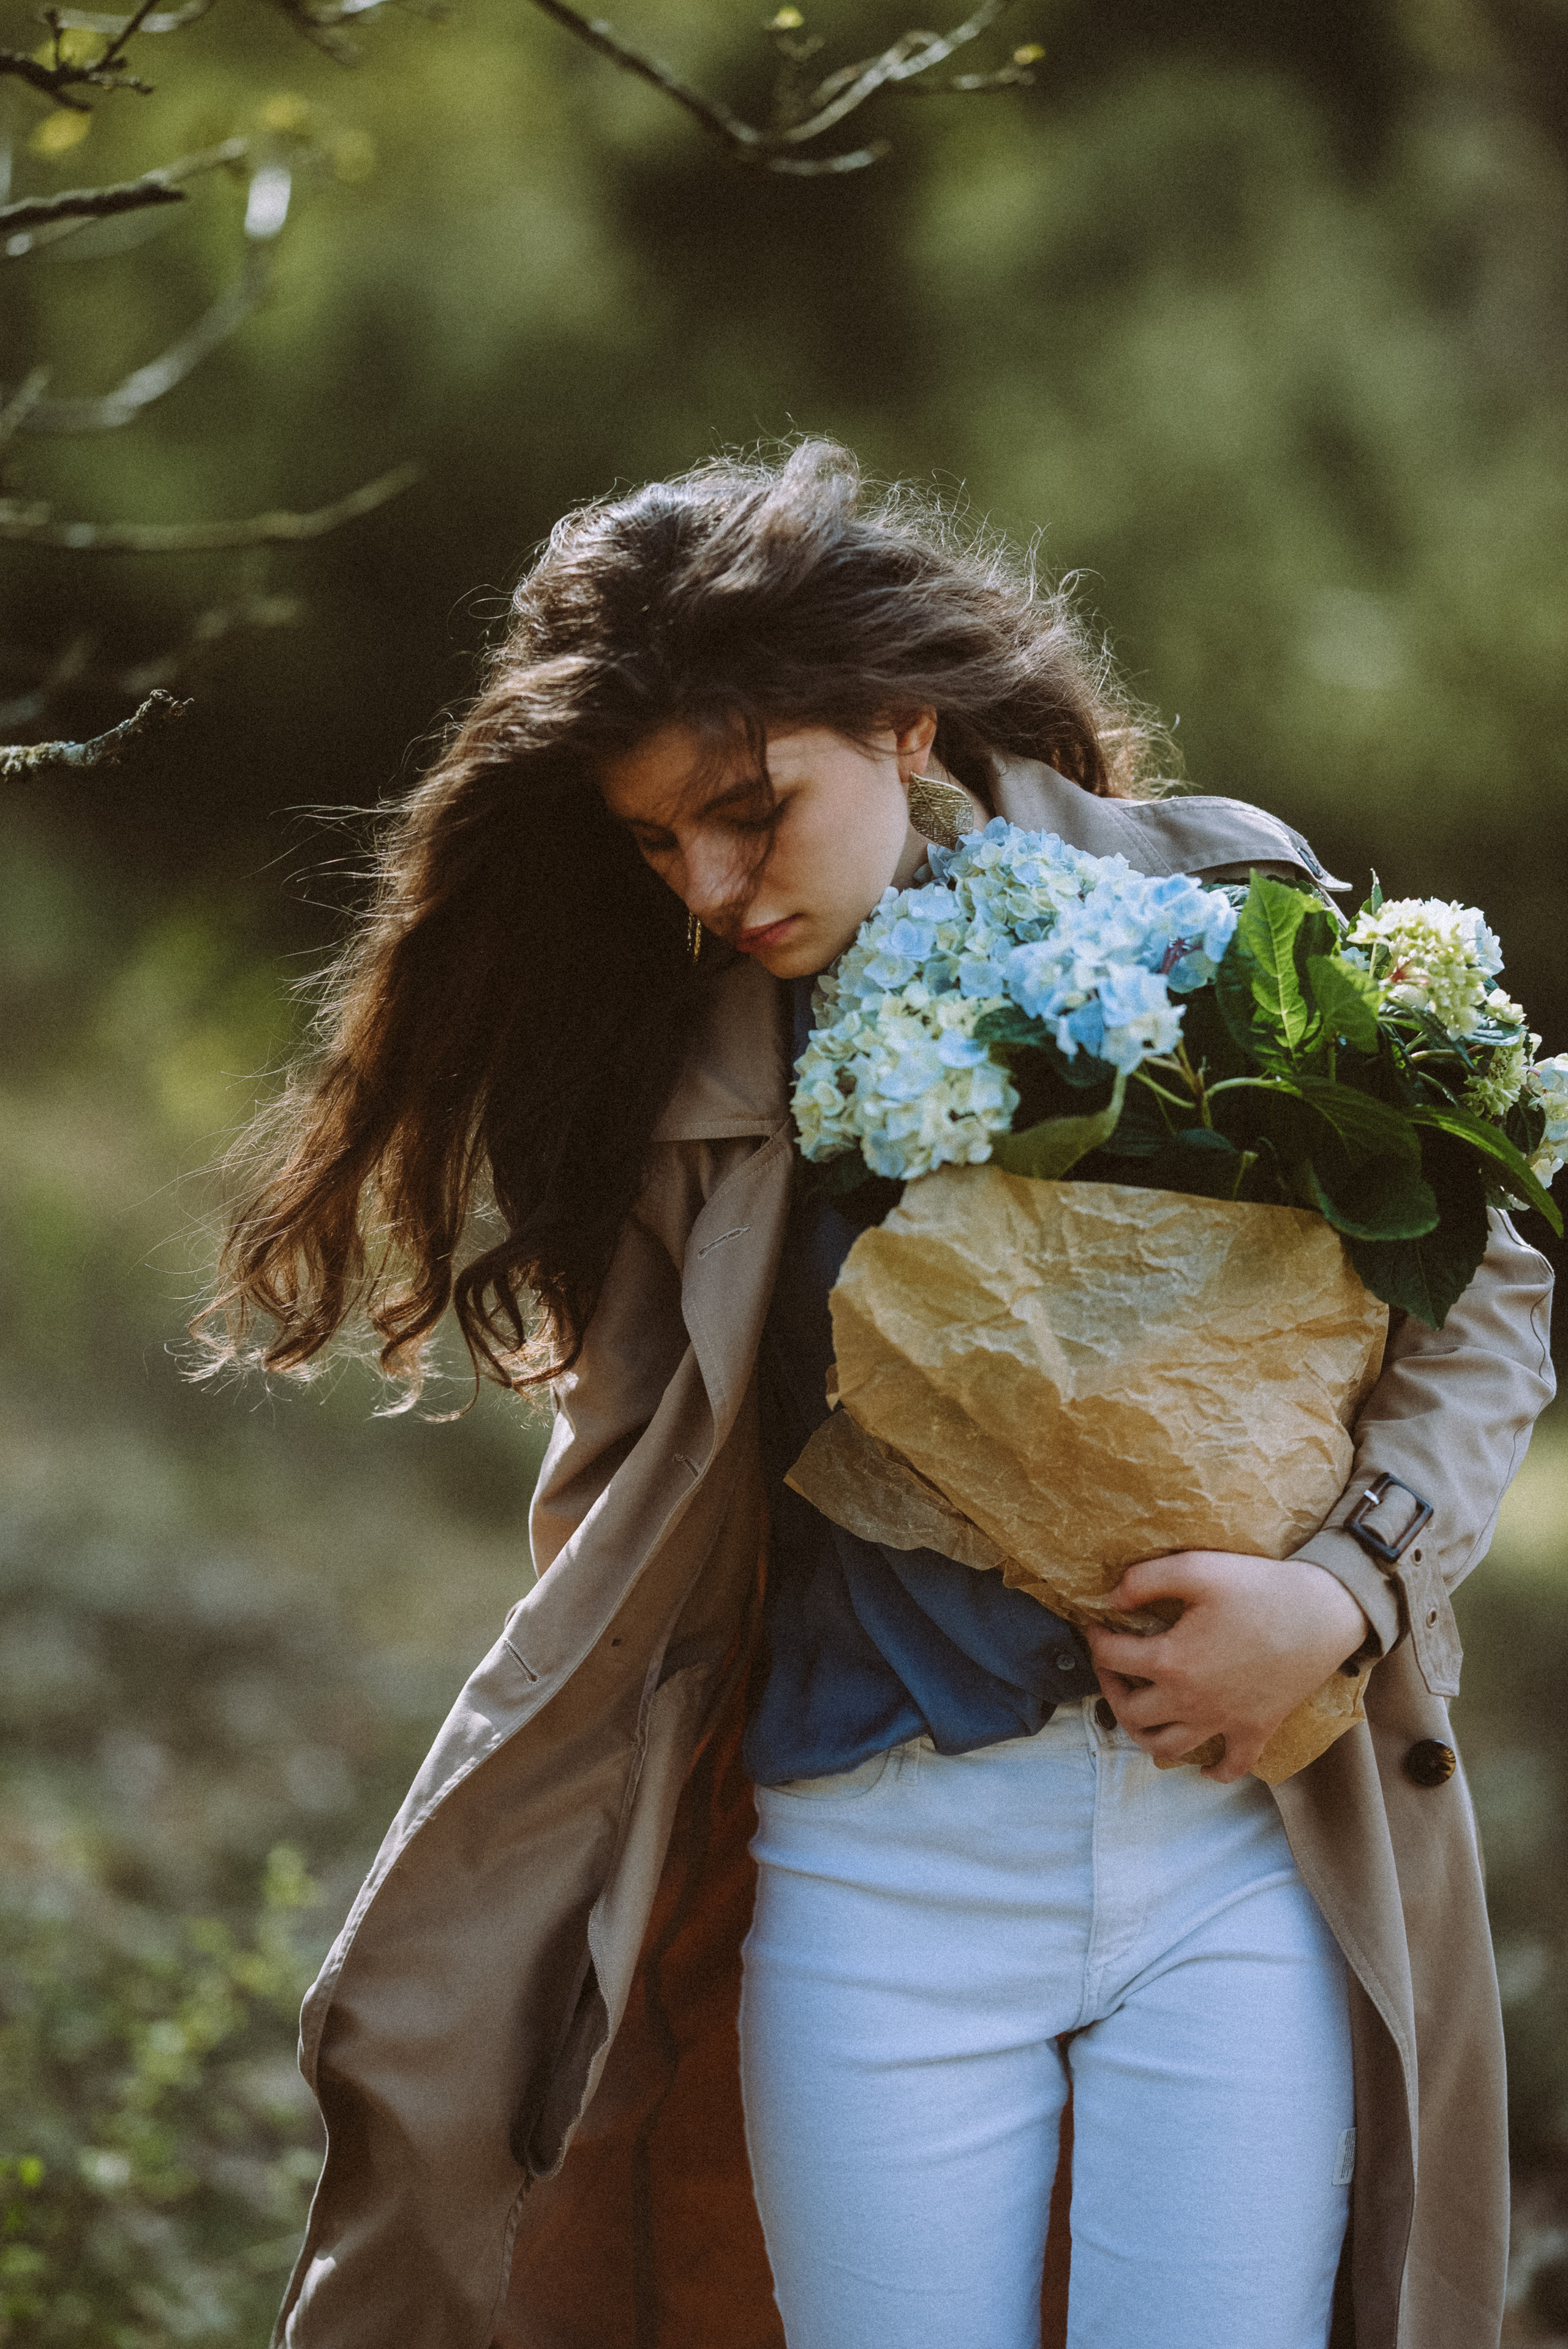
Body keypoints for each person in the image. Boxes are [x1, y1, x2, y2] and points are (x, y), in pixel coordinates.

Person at [202, 442, 1555, 2349]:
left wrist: (1339, 1590)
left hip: (1244, 1847)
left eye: (752, 812)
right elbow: (629, 1519)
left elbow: (1486, 1281)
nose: (713, 884)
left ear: (903, 721)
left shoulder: (1223, 911)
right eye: (660, 843)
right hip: (874, 1881)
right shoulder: (676, 1078)